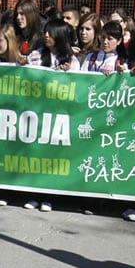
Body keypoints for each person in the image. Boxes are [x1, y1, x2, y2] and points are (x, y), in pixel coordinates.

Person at [25, 18, 79, 212]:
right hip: (37, 113)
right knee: (36, 155)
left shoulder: (72, 60)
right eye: (45, 32)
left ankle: (48, 196)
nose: (46, 35)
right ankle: (33, 193)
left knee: (52, 158)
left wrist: (68, 74)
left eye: (51, 32)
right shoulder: (36, 55)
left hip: (59, 116)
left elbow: (79, 87)